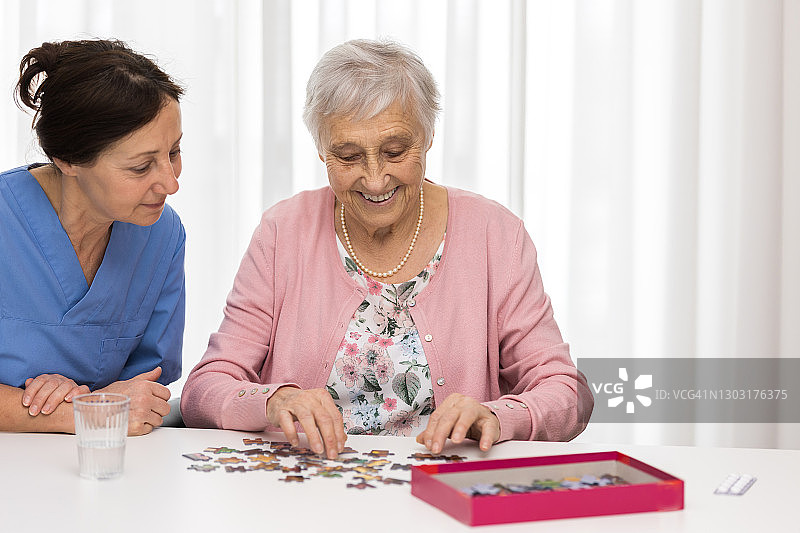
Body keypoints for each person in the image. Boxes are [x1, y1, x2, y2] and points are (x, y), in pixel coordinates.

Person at [182, 39, 592, 458]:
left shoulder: (495, 234)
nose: (375, 179)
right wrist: (274, 400)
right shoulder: (281, 232)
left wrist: (500, 417)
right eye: (348, 156)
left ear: (428, 138)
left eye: (395, 151)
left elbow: (567, 394)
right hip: (305, 497)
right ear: (321, 151)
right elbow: (204, 390)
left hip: (445, 496)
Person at [0, 39, 186, 435]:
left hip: (105, 470)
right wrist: (77, 410)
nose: (170, 184)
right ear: (67, 160)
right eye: (141, 167)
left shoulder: (162, 237)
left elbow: (146, 392)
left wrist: (88, 402)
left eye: (174, 152)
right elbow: (114, 408)